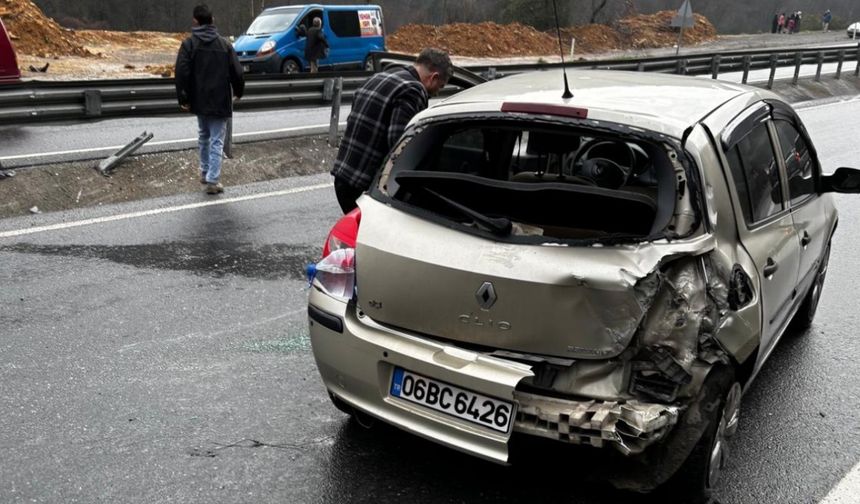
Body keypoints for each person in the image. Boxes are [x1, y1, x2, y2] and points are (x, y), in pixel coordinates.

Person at [330, 48, 453, 213]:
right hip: (364, 186)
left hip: (343, 176)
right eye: (441, 86)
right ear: (434, 77)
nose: (438, 91)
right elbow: (399, 144)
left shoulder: (379, 77)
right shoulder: (413, 89)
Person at [175, 4, 245, 195]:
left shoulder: (189, 44)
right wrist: (239, 90)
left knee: (204, 136)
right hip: (220, 99)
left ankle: (205, 172)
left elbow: (182, 72)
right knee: (216, 140)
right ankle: (213, 180)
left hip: (199, 99)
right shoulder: (224, 44)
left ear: (195, 21)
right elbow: (237, 72)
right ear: (212, 21)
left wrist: (184, 97)